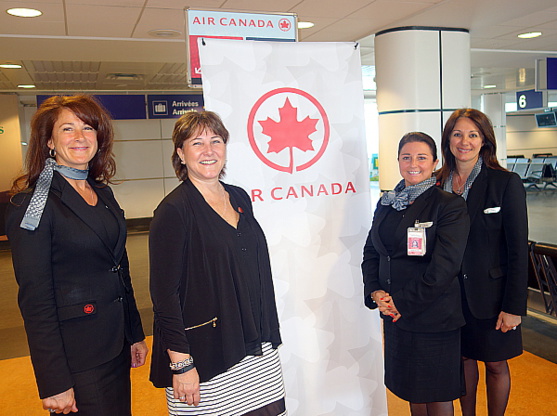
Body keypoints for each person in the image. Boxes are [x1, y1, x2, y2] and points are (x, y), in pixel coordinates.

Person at [6, 95, 148, 415]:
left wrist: (134, 333)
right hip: (77, 359)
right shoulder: (34, 205)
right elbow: (35, 301)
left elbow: (118, 267)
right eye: (67, 129)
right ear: (49, 142)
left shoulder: (102, 192)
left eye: (88, 128)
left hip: (114, 346)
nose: (80, 137)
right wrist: (53, 380)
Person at [149, 111, 286, 415]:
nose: (209, 150)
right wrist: (182, 364)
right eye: (197, 143)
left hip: (255, 347)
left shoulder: (238, 197)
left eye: (216, 141)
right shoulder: (173, 211)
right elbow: (164, 296)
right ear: (181, 154)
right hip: (206, 352)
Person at [362, 132, 470, 416]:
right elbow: (373, 252)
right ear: (397, 161)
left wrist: (400, 302)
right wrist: (376, 291)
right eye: (406, 157)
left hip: (434, 319)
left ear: (434, 162)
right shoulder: (387, 203)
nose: (413, 163)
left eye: (422, 157)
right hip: (397, 318)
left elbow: (444, 268)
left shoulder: (449, 205)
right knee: (412, 391)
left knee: (436, 396)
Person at [436, 109, 528, 416]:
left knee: (495, 363)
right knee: (461, 361)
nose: (465, 141)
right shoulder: (437, 185)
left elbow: (517, 250)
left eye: (473, 134)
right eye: (458, 134)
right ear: (448, 139)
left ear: (484, 141)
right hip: (449, 296)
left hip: (492, 296)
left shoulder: (505, 183)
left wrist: (514, 306)